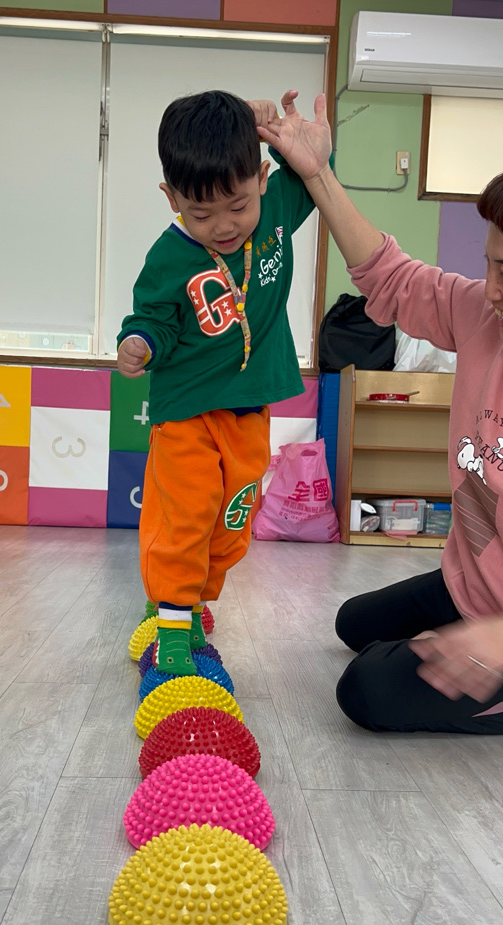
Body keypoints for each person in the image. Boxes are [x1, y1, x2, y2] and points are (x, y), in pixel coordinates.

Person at [256, 91, 503, 733]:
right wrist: (317, 173)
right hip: (472, 588)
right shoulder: (483, 310)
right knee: (355, 624)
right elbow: (390, 275)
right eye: (491, 264)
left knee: (367, 688)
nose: (494, 287)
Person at [117, 90, 320, 675]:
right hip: (185, 413)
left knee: (231, 525)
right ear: (171, 198)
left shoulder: (276, 209)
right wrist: (140, 343)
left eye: (237, 205)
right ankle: (173, 627)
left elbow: (316, 169)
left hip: (248, 412)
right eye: (200, 215)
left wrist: (284, 135)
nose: (223, 226)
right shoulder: (168, 257)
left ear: (261, 180)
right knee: (183, 519)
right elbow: (152, 317)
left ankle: (188, 603)